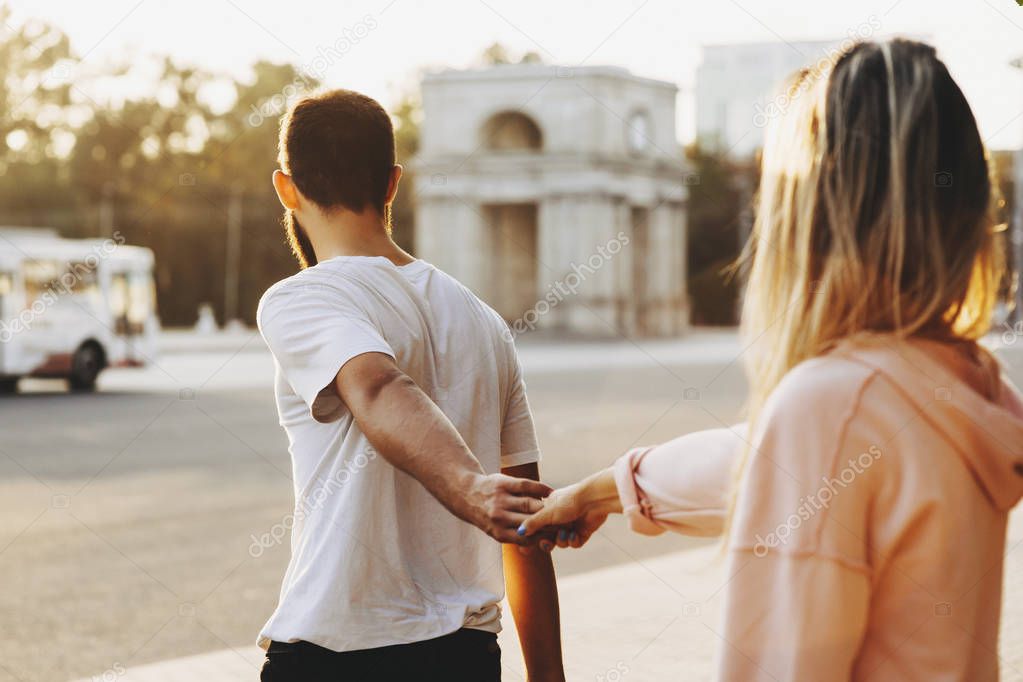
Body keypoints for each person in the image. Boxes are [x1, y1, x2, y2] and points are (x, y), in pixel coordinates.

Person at [521, 39, 1023, 680]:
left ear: (810, 207)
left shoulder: (834, 405)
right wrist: (603, 492)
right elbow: (767, 465)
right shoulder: (961, 381)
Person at [256, 89, 564, 682]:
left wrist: (470, 487)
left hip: (337, 649)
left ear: (285, 188)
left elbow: (375, 385)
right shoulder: (482, 319)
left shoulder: (303, 298)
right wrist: (549, 676)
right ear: (393, 183)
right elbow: (526, 522)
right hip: (466, 655)